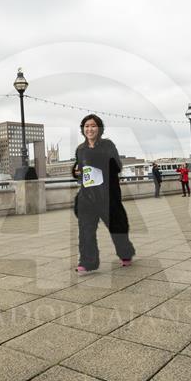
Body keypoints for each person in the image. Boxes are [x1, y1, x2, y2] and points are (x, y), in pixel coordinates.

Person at [74, 114, 135, 272]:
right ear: (83, 129)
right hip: (87, 197)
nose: (90, 129)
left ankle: (125, 253)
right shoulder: (80, 149)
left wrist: (96, 160)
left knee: (117, 228)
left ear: (99, 128)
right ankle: (87, 261)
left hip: (107, 196)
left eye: (93, 125)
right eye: (86, 126)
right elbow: (80, 169)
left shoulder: (107, 145)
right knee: (85, 231)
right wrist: (75, 172)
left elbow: (117, 166)